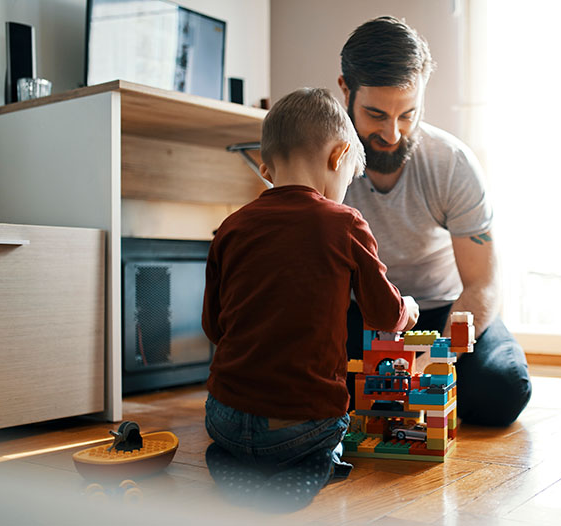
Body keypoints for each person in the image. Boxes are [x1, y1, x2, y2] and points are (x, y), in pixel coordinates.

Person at [201, 87, 420, 509]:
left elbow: (214, 327)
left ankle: (228, 458)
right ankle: (314, 465)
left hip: (224, 417)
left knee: (229, 440)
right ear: (338, 157)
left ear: (267, 169)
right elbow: (382, 314)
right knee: (334, 433)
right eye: (347, 178)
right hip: (299, 426)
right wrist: (406, 308)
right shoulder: (344, 223)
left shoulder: (230, 228)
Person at [338, 16, 532, 427]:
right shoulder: (326, 165)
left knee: (501, 391)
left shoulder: (451, 163)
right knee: (327, 390)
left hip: (444, 310)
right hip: (363, 313)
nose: (392, 133)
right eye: (375, 115)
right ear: (345, 91)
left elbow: (482, 282)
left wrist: (439, 355)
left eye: (408, 114)